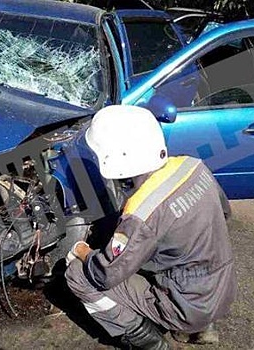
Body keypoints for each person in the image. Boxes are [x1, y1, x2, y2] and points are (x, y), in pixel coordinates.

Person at [65, 105, 237, 350]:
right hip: (223, 288)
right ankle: (200, 329)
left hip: (189, 305)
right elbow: (225, 213)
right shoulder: (194, 167)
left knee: (78, 275)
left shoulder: (140, 213)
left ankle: (150, 342)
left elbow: (104, 275)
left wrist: (82, 250)